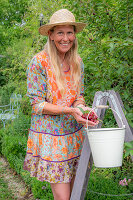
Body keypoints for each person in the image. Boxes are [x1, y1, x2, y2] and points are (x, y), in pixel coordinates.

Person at [23, 9, 99, 200]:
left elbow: (78, 97)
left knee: (76, 194)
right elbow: (37, 105)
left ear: (75, 34)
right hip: (52, 138)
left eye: (70, 32)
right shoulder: (39, 62)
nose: (66, 38)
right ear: (50, 35)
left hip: (74, 135)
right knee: (63, 198)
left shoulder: (77, 62)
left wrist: (83, 109)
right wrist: (70, 110)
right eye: (60, 33)